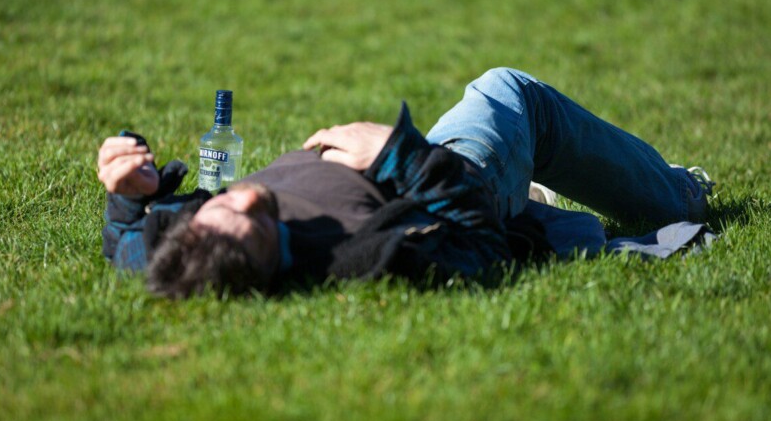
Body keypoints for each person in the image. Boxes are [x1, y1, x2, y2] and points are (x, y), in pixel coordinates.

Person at [98, 67, 715, 298]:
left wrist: (128, 189)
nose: (249, 197)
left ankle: (537, 199)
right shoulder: (368, 259)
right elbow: (479, 243)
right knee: (508, 92)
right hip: (451, 175)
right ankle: (678, 193)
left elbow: (128, 241)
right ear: (266, 266)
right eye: (259, 223)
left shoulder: (184, 251)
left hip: (418, 167)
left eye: (223, 206)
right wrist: (396, 155)